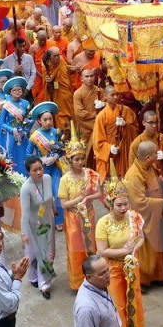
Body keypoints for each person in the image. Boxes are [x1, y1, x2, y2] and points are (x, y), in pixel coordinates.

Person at [95, 170, 145, 327]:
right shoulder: (103, 223)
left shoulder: (133, 217)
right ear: (110, 204)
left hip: (131, 266)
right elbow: (102, 251)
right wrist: (125, 251)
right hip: (113, 269)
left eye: (126, 204)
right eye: (119, 205)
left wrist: (132, 251)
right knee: (118, 301)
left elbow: (141, 238)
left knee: (134, 297)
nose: (124, 208)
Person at [124, 141, 163, 287]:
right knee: (145, 247)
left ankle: (158, 275)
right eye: (155, 153)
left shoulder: (148, 166)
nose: (158, 154)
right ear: (148, 157)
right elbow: (138, 202)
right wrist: (162, 202)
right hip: (143, 216)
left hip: (154, 213)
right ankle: (143, 279)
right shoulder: (133, 175)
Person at [57, 127, 102, 291]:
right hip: (73, 219)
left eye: (82, 158)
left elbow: (98, 193)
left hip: (89, 215)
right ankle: (78, 282)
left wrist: (87, 198)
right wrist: (78, 199)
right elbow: (63, 205)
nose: (80, 162)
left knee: (91, 247)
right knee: (76, 250)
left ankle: (94, 278)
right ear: (70, 159)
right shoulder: (65, 179)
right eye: (77, 159)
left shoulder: (90, 174)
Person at [73, 254, 126, 327]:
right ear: (89, 277)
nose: (108, 275)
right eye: (102, 273)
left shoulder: (100, 286)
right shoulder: (86, 308)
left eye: (108, 270)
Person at [20, 156, 57, 299]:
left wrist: (53, 208)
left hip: (48, 220)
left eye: (40, 168)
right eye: (35, 170)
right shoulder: (25, 188)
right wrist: (24, 233)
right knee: (38, 252)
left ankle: (37, 278)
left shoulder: (47, 178)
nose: (39, 172)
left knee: (48, 251)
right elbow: (25, 213)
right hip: (34, 224)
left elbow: (50, 197)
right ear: (29, 172)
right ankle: (43, 284)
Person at [26, 102, 65, 230]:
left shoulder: (57, 132)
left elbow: (63, 149)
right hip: (41, 171)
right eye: (45, 120)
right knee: (43, 197)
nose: (48, 122)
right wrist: (41, 159)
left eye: (50, 119)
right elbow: (27, 154)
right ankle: (42, 220)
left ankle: (59, 219)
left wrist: (55, 157)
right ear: (39, 121)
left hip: (55, 169)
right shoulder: (34, 137)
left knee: (57, 193)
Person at [92, 85, 138, 180]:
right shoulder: (101, 116)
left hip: (125, 150)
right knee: (112, 181)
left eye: (117, 94)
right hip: (111, 154)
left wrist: (126, 125)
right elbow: (97, 141)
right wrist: (109, 148)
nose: (116, 97)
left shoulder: (126, 110)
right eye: (112, 95)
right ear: (105, 96)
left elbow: (135, 128)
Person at [128, 110, 163, 175]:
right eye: (150, 123)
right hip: (146, 179)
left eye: (155, 122)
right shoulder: (136, 143)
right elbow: (132, 167)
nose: (154, 126)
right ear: (143, 123)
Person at [40, 46, 73, 131]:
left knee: (68, 114)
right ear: (49, 56)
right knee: (58, 114)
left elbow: (66, 69)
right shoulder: (46, 67)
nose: (57, 58)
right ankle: (59, 132)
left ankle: (70, 132)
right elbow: (45, 83)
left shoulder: (61, 60)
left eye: (58, 55)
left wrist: (74, 68)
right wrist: (48, 82)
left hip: (65, 93)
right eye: (54, 56)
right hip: (54, 95)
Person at [73, 68, 102, 146]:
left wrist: (103, 104)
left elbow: (107, 106)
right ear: (82, 79)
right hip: (85, 127)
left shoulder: (99, 90)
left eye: (92, 76)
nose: (90, 79)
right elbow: (79, 113)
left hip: (98, 124)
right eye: (87, 76)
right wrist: (97, 115)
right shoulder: (78, 93)